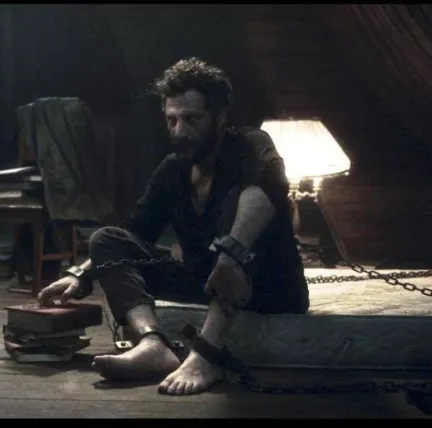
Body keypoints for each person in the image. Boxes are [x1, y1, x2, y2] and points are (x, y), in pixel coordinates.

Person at [36, 57, 309, 396]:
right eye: (172, 120)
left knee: (243, 200)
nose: (179, 131)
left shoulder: (250, 144)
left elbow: (269, 186)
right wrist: (81, 275)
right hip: (202, 281)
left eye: (192, 119)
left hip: (269, 288)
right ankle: (152, 344)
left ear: (220, 117)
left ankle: (206, 356)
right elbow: (136, 231)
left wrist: (231, 253)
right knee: (107, 238)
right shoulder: (173, 170)